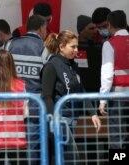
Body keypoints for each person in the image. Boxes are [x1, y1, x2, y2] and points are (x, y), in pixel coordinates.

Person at [40, 30, 101, 164]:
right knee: (72, 158)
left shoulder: (73, 66)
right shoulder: (51, 66)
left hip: (72, 120)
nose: (76, 50)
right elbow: (47, 96)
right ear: (61, 47)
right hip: (59, 121)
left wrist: (93, 114)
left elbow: (81, 91)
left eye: (77, 46)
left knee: (65, 159)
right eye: (73, 47)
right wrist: (53, 119)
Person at [7, 15, 47, 165]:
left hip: (11, 107)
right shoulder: (43, 48)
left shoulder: (9, 45)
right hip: (34, 109)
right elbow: (47, 80)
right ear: (41, 28)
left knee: (11, 151)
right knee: (31, 152)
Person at [99, 10, 129, 149]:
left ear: (109, 25)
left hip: (118, 95)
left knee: (117, 136)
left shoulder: (109, 44)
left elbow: (107, 74)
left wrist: (103, 99)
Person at [75, 15, 102, 92]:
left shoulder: (99, 47)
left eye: (95, 28)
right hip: (79, 92)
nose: (95, 31)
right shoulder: (72, 48)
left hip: (97, 92)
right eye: (91, 28)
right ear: (81, 31)